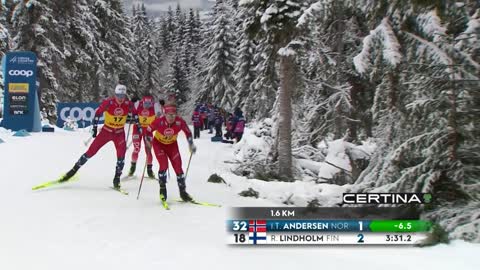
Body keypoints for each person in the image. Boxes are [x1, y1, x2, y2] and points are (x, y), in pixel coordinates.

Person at [60, 84, 141, 189]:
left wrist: (138, 124)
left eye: (122, 96)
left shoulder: (128, 104)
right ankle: (72, 171)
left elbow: (135, 114)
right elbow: (98, 113)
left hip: (119, 134)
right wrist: (94, 128)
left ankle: (116, 179)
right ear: (115, 95)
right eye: (118, 96)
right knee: (90, 152)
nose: (120, 99)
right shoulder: (109, 102)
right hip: (106, 132)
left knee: (121, 157)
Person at [146, 104, 197, 202]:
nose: (171, 117)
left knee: (178, 166)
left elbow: (188, 132)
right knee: (164, 165)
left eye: (173, 115)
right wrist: (149, 140)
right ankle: (162, 189)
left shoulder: (179, 122)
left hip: (172, 145)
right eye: (168, 115)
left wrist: (190, 144)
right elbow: (148, 130)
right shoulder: (158, 122)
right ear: (164, 114)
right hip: (159, 144)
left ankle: (183, 192)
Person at [128, 93, 157, 178]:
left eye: (149, 104)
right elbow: (129, 108)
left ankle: (149, 170)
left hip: (148, 131)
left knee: (148, 150)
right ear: (142, 102)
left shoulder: (155, 108)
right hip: (137, 129)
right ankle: (132, 167)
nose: (147, 106)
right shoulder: (138, 104)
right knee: (136, 148)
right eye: (145, 103)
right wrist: (131, 102)